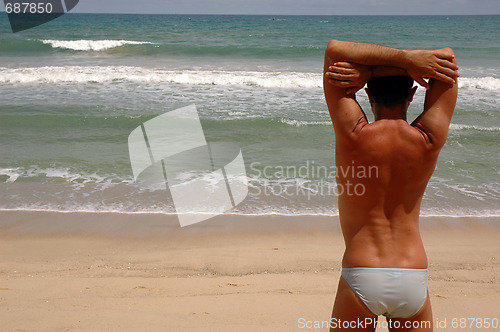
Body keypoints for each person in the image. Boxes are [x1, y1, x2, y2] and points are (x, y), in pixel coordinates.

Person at [323, 40, 459, 331]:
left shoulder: (353, 135)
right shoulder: (428, 139)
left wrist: (378, 68)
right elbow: (447, 58)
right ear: (412, 94)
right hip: (413, 271)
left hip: (363, 269)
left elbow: (334, 49)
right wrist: (406, 63)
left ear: (367, 94)